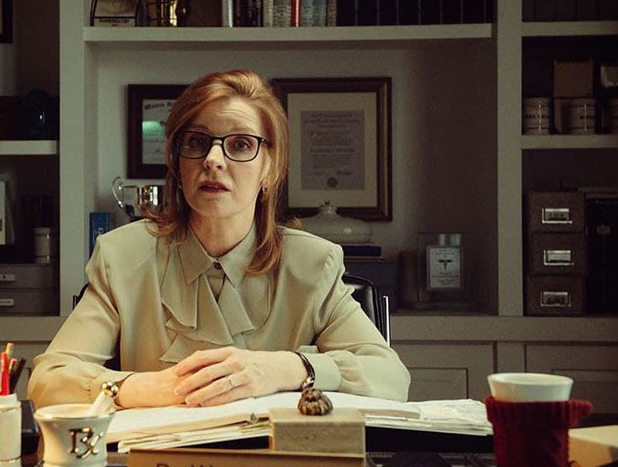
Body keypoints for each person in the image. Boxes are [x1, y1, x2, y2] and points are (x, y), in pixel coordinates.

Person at [29, 70, 410, 410]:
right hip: (157, 461)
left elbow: (391, 378)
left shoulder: (312, 263)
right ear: (177, 163)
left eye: (240, 144)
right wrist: (145, 387)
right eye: (197, 142)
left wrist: (284, 368)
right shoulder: (122, 256)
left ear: (270, 168)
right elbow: (49, 379)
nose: (213, 159)